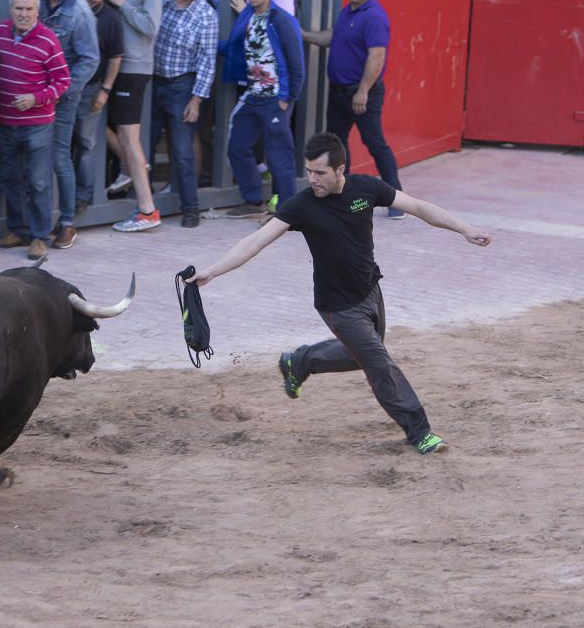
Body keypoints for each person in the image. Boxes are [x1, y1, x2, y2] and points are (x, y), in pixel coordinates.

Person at [191, 131, 493, 455]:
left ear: (340, 169)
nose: (313, 179)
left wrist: (464, 229)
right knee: (379, 364)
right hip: (338, 306)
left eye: (320, 173)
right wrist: (212, 270)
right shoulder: (302, 205)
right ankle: (419, 431)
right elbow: (256, 241)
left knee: (359, 354)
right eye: (308, 171)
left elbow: (418, 207)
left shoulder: (367, 188)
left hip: (371, 292)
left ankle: (298, 362)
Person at [303, 0, 406, 219]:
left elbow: (377, 57)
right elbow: (333, 37)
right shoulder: (348, 11)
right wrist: (303, 34)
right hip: (338, 92)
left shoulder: (374, 17)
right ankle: (341, 194)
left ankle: (397, 200)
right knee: (336, 143)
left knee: (375, 143)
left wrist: (362, 92)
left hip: (361, 93)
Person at [0, 0, 70, 260]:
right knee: (9, 179)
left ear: (38, 11)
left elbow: (63, 81)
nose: (24, 14)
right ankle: (17, 230)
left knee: (38, 183)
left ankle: (39, 237)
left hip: (37, 125)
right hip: (5, 123)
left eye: (29, 9)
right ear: (11, 10)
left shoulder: (48, 40)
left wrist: (35, 98)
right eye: (19, 9)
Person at [220, 0, 304, 217]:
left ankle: (287, 214)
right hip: (253, 95)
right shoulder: (247, 14)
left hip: (276, 98)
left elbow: (296, 63)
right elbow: (234, 48)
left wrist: (287, 100)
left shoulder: (281, 20)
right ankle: (253, 201)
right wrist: (207, 45)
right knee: (237, 147)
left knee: (279, 156)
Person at [38, 0, 99, 250]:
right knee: (37, 157)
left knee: (61, 158)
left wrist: (62, 89)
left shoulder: (80, 13)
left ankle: (66, 223)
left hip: (63, 97)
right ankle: (39, 222)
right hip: (35, 95)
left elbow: (90, 60)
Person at [150, 0, 218, 229]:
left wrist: (197, 99)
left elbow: (207, 61)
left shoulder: (206, 15)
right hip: (153, 83)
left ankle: (191, 209)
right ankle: (144, 204)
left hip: (182, 88)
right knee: (146, 145)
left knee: (182, 152)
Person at [107, 0, 163, 232]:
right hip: (112, 66)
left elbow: (150, 26)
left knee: (130, 138)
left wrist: (120, 1)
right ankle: (132, 165)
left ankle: (147, 210)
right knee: (97, 121)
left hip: (134, 67)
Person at [73, 0, 123, 216]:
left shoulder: (111, 18)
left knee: (85, 143)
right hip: (64, 88)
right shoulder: (70, 8)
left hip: (92, 89)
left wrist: (105, 90)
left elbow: (116, 57)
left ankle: (81, 196)